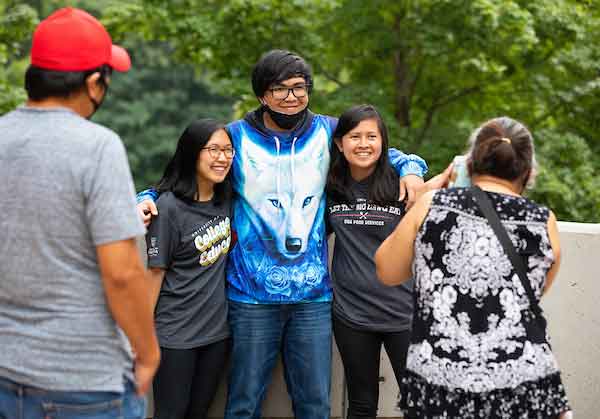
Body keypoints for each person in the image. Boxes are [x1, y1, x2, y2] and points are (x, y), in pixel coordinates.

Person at [137, 50, 427, 419]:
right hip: (249, 298)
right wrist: (144, 198)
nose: (291, 97)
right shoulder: (236, 139)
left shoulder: (327, 133)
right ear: (262, 95)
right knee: (242, 404)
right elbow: (186, 173)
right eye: (280, 89)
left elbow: (378, 148)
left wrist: (413, 170)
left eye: (299, 88)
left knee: (314, 405)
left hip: (314, 298)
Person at [0, 7, 159, 419]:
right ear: (93, 83)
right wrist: (147, 353)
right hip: (82, 382)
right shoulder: (97, 146)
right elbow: (122, 274)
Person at [375, 117, 571, 418]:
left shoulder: (433, 205)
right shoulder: (543, 220)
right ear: (528, 172)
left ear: (468, 165)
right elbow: (534, 293)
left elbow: (387, 271)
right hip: (520, 383)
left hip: (438, 384)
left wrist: (433, 191)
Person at [146, 119, 234, 419]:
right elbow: (154, 274)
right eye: (213, 149)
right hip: (175, 337)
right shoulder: (169, 208)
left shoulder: (227, 200)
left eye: (228, 150)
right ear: (192, 152)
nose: (222, 157)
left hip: (217, 334)